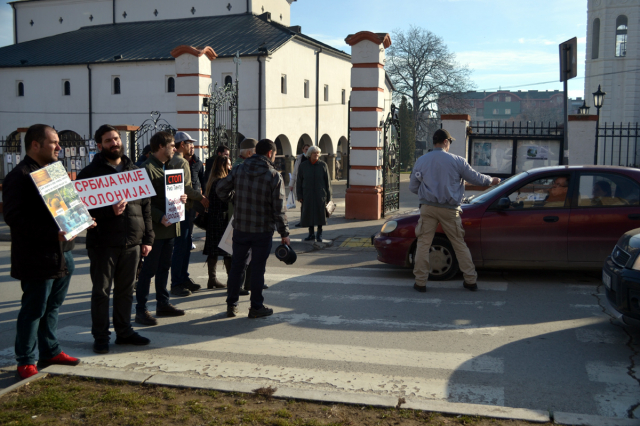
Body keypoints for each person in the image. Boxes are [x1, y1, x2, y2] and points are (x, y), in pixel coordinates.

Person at [4, 124, 86, 379]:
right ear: (35, 145)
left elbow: (65, 207)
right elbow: (15, 218)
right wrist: (52, 234)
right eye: (54, 143)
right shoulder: (19, 176)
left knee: (53, 307)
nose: (59, 147)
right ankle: (26, 360)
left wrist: (81, 218)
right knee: (34, 309)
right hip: (36, 256)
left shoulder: (55, 172)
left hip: (64, 252)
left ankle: (50, 350)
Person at [77, 125, 155, 352]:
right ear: (99, 146)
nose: (115, 143)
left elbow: (146, 207)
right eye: (109, 140)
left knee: (125, 291)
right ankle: (101, 336)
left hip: (132, 242)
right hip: (103, 243)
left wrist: (147, 238)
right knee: (101, 292)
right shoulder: (89, 175)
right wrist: (108, 211)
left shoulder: (135, 171)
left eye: (116, 138)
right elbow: (80, 214)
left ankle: (124, 331)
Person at [409, 129, 500, 293]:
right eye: (449, 142)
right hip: (450, 210)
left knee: (423, 244)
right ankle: (470, 280)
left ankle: (420, 282)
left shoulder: (421, 161)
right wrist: (492, 180)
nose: (449, 145)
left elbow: (413, 187)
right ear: (445, 142)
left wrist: (427, 194)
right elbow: (476, 178)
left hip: (428, 208)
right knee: (459, 244)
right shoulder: (458, 161)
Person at [216, 139, 290, 318]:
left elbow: (220, 189)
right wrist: (284, 233)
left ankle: (231, 305)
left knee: (237, 266)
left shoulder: (239, 169)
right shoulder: (273, 176)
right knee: (257, 269)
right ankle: (256, 307)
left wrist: (234, 198)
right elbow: (278, 208)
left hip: (241, 227)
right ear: (270, 153)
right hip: (262, 230)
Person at [136, 131, 188, 323]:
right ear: (160, 147)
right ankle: (141, 309)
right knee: (148, 271)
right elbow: (144, 201)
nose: (175, 148)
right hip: (156, 231)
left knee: (164, 268)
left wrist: (182, 198)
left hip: (169, 228)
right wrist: (160, 217)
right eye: (172, 145)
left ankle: (162, 303)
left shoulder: (167, 167)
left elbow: (170, 195)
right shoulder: (147, 169)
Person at [168, 132, 209, 297]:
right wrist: (202, 198)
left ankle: (183, 278)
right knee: (181, 246)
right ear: (182, 144)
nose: (193, 146)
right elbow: (185, 188)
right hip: (183, 208)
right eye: (190, 143)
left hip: (179, 208)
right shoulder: (181, 162)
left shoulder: (172, 161)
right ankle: (177, 282)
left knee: (184, 245)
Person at [203, 155, 233, 289]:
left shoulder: (212, 181)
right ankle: (231, 279)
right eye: (229, 164)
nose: (230, 167)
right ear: (223, 166)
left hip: (213, 218)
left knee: (213, 251)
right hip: (222, 218)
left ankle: (212, 279)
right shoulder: (221, 182)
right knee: (227, 250)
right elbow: (226, 200)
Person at [297, 146, 331, 243]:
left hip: (320, 194)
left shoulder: (323, 165)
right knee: (309, 214)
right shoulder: (303, 166)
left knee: (320, 215)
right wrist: (299, 195)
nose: (316, 155)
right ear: (310, 154)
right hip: (307, 194)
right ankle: (311, 234)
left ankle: (319, 234)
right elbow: (299, 182)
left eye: (318, 153)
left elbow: (328, 183)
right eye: (314, 153)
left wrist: (329, 197)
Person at [290, 144, 310, 227]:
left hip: (309, 185)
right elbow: (294, 172)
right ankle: (302, 221)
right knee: (302, 203)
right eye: (306, 149)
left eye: (308, 149)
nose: (307, 151)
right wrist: (291, 184)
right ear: (302, 149)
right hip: (301, 184)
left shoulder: (311, 159)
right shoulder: (299, 159)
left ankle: (308, 221)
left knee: (308, 204)